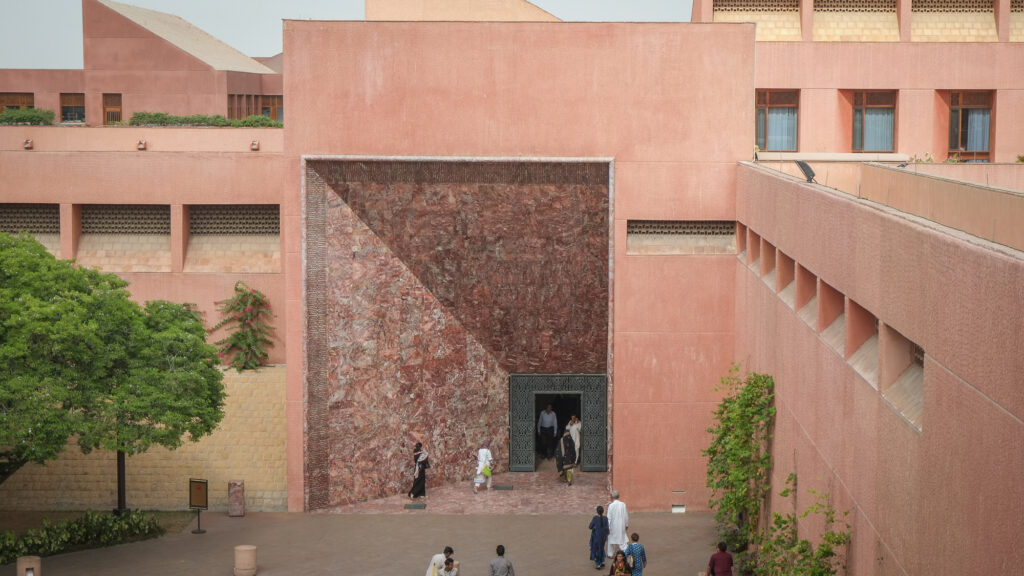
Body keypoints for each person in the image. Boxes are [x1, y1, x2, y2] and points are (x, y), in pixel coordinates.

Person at [606, 490, 629, 558]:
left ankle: (610, 554)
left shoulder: (611, 506)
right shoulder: (623, 504)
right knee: (622, 539)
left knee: (611, 540)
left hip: (613, 526)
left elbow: (609, 518)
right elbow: (626, 515)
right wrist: (626, 524)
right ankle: (626, 551)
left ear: (612, 496)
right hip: (621, 525)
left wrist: (608, 527)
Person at [588, 505, 610, 569]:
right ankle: (602, 561)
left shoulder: (595, 518)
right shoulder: (606, 518)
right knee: (601, 548)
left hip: (596, 537)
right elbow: (607, 529)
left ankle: (598, 564)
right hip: (603, 537)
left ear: (597, 511)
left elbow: (590, 527)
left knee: (596, 550)